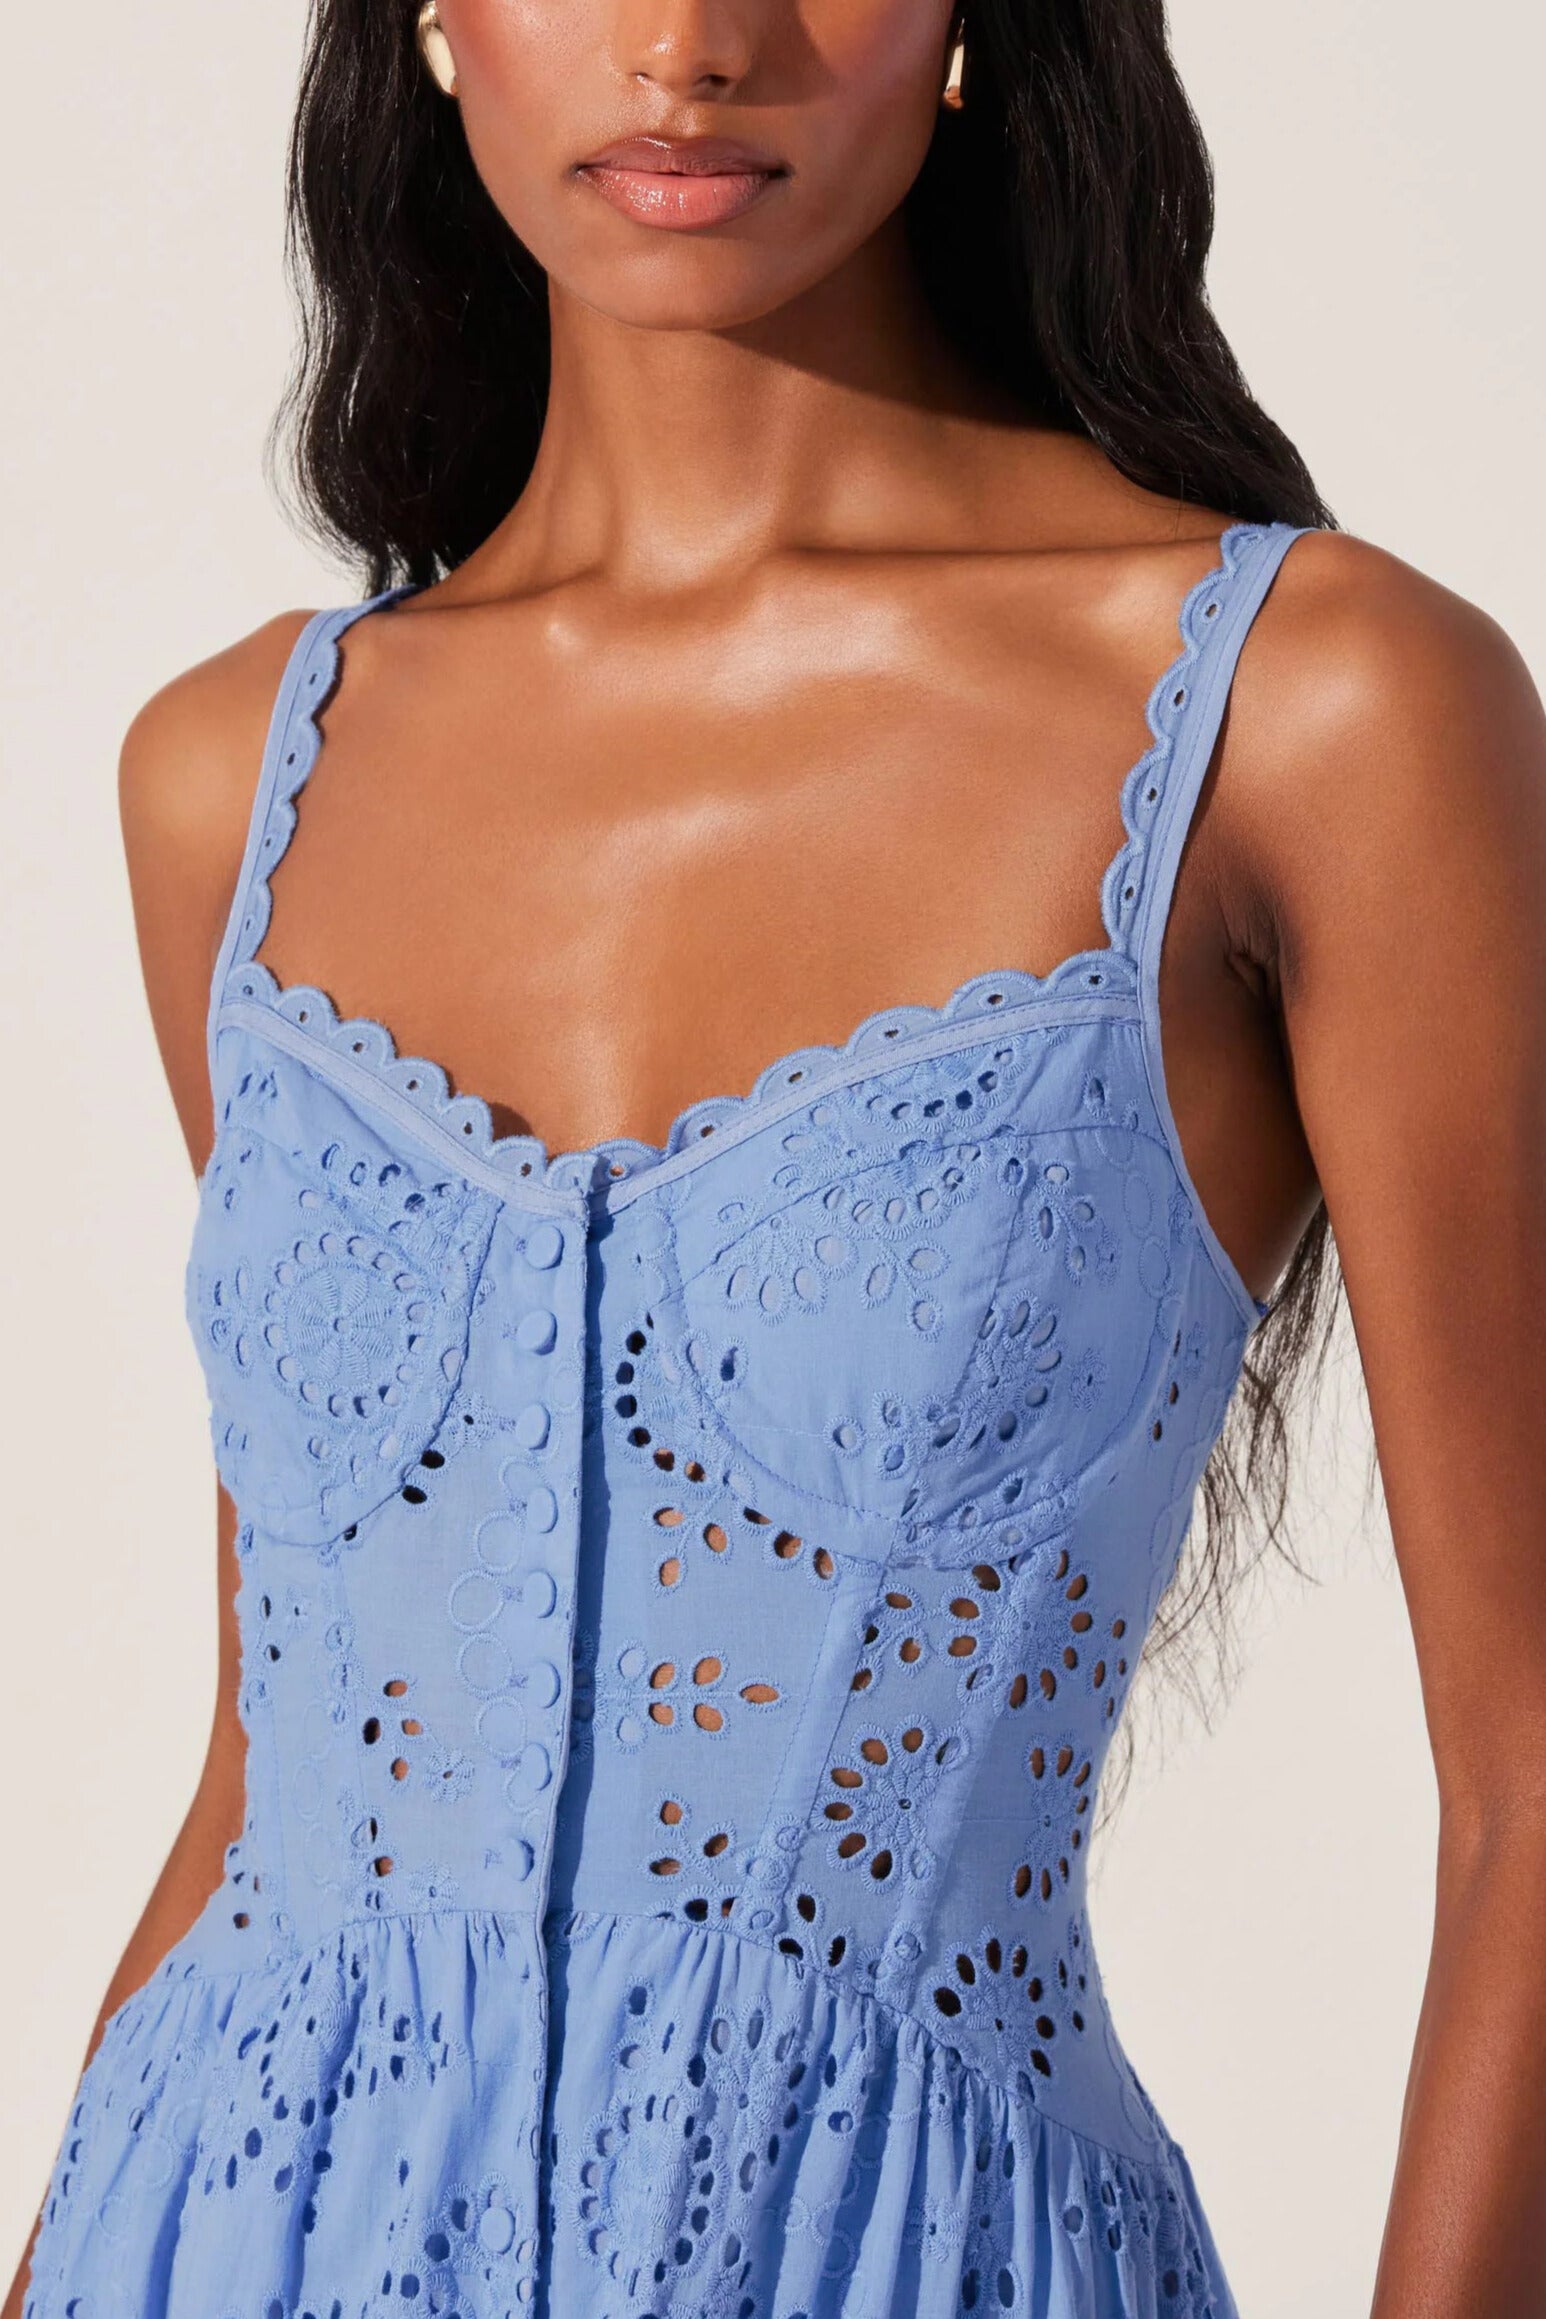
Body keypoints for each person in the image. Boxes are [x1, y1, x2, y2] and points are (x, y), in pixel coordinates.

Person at [10, 3, 1546, 2315]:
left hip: (896, 2249)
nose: (689, 43)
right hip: (210, 2233)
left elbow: (1525, 1778)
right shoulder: (230, 779)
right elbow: (278, 1758)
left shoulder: (1313, 710)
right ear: (430, 24)